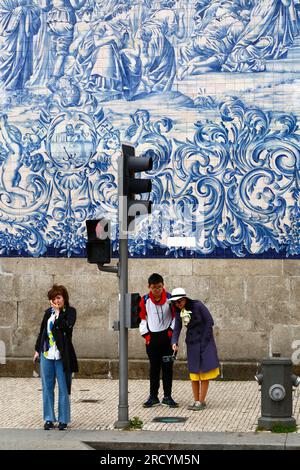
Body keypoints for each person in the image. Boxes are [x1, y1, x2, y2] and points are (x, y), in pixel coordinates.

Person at [33, 284, 78, 430]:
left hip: (62, 355)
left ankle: (63, 419)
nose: (56, 301)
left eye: (58, 298)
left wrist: (58, 313)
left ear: (64, 298)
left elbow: (66, 327)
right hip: (47, 354)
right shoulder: (48, 313)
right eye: (53, 299)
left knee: (63, 388)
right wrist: (37, 350)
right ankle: (49, 419)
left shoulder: (70, 312)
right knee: (47, 387)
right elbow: (42, 332)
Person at [171, 288, 220, 411]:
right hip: (192, 343)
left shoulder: (198, 305)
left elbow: (209, 321)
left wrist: (206, 339)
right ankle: (196, 400)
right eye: (176, 302)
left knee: (204, 373)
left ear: (185, 299)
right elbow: (177, 328)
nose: (178, 304)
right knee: (194, 373)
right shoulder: (178, 311)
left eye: (180, 301)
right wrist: (174, 342)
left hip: (205, 342)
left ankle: (202, 401)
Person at [139, 273, 178, 408]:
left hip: (167, 338)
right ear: (149, 287)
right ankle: (153, 396)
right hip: (152, 339)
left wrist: (171, 333)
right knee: (154, 369)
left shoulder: (169, 299)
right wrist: (147, 336)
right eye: (154, 288)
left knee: (168, 368)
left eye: (160, 287)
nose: (157, 290)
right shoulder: (144, 300)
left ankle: (167, 396)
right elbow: (142, 318)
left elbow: (175, 317)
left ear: (163, 286)